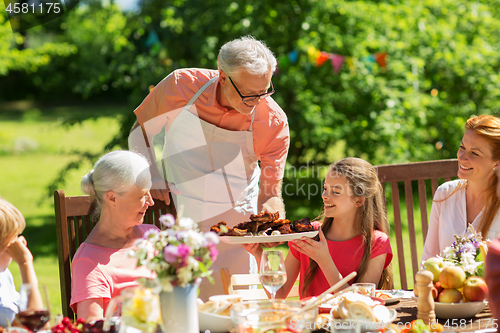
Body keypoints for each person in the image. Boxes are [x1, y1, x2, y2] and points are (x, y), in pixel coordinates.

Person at [128, 35, 290, 299]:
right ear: (223, 77)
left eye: (265, 91)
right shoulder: (181, 86)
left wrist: (273, 212)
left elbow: (271, 192)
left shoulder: (273, 121)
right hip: (179, 219)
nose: (258, 102)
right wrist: (151, 173)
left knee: (236, 311)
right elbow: (141, 131)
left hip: (237, 232)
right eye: (249, 95)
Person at [244, 158, 393, 298]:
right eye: (325, 188)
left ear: (358, 200)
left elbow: (361, 303)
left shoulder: (377, 242)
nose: (324, 195)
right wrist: (258, 254)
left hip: (351, 324)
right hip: (311, 323)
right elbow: (278, 295)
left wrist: (324, 260)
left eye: (335, 191)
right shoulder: (308, 234)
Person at [70, 150, 159, 320]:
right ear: (112, 198)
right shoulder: (89, 263)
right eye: (142, 195)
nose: (151, 202)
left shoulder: (153, 236)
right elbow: (92, 328)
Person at [422, 115, 500, 261]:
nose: (462, 157)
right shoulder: (445, 193)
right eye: (462, 147)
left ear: (496, 162)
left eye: (474, 153)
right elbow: (429, 259)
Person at [0, 198, 39, 327]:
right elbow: (35, 322)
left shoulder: (4, 275)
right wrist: (25, 263)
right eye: (14, 237)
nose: (21, 243)